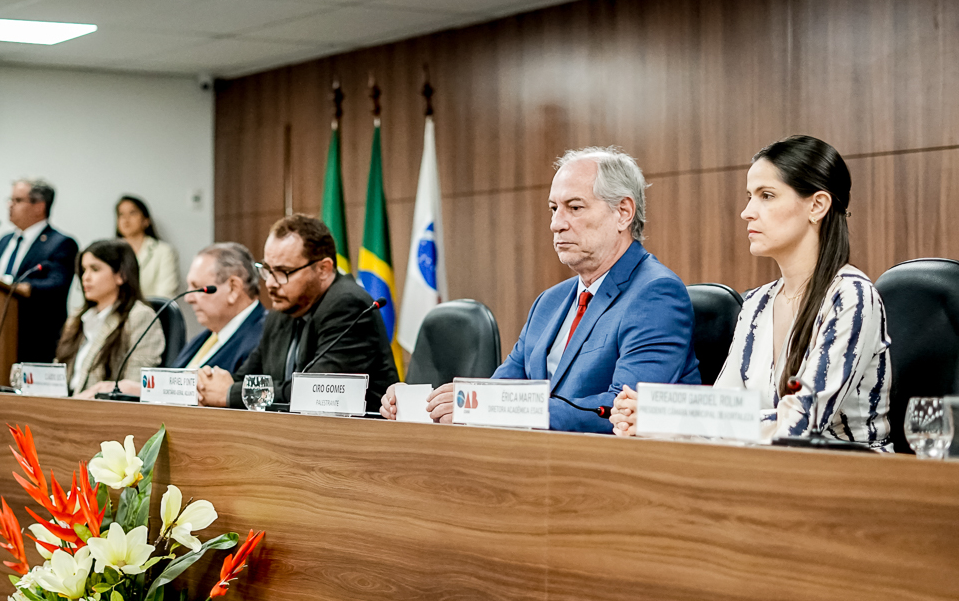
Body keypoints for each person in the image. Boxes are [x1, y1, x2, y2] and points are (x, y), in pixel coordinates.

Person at [380, 147, 701, 433]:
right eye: (553, 208)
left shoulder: (656, 295)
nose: (556, 223)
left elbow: (621, 411)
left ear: (623, 213)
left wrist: (495, 409)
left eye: (574, 208)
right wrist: (423, 403)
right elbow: (501, 391)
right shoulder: (550, 302)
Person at [609, 135, 893, 451]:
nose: (747, 212)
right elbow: (724, 410)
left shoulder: (852, 296)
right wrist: (650, 418)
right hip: (764, 469)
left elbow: (800, 424)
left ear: (817, 205)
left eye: (766, 196)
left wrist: (673, 418)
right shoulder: (757, 303)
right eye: (749, 196)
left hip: (851, 477)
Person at [196, 214, 399, 411]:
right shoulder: (282, 311)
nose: (271, 283)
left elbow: (316, 392)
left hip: (355, 438)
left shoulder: (348, 305)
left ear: (323, 269)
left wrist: (231, 393)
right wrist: (209, 384)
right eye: (267, 269)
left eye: (283, 272)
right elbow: (247, 378)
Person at [111, 242, 267, 396]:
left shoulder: (263, 338)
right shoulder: (204, 338)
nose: (189, 298)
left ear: (233, 288)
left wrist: (140, 391)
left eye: (198, 288)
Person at [55, 240, 165, 397]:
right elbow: (56, 376)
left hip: (102, 413)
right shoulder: (76, 317)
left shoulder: (140, 317)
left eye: (95, 269)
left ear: (121, 275)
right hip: (63, 407)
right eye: (84, 270)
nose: (85, 277)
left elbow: (134, 386)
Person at [0, 179, 78, 363]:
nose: (10, 205)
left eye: (18, 200)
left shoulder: (60, 243)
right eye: (10, 199)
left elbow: (56, 285)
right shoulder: (5, 241)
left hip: (35, 339)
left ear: (39, 206)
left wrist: (18, 287)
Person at [116, 195, 180, 297]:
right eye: (121, 214)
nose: (126, 219)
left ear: (146, 220)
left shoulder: (163, 251)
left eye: (132, 213)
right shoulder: (109, 253)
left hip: (152, 310)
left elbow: (165, 294)